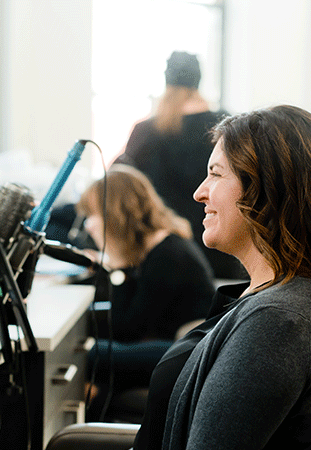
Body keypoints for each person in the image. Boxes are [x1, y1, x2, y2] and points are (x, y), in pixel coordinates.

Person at [132, 105, 311, 450]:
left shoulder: (278, 324)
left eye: (216, 174)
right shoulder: (282, 299)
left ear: (266, 191)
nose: (199, 193)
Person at [75, 164, 216, 420]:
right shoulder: (158, 248)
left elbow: (127, 328)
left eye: (93, 215)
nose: (89, 225)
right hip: (176, 346)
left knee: (90, 354)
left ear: (114, 215)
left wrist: (117, 268)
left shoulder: (168, 256)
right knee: (97, 366)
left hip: (187, 353)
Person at [115, 51, 245, 280]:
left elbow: (119, 186)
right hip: (222, 252)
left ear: (167, 82)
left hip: (164, 257)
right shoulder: (226, 127)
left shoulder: (146, 132)